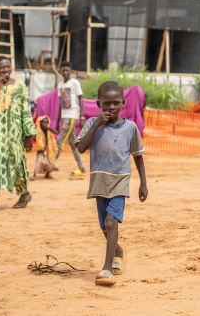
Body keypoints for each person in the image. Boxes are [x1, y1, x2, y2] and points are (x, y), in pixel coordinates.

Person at [75, 81, 148, 286]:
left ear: (123, 103)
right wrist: (97, 123)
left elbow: (138, 155)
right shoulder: (92, 124)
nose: (111, 107)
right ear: (98, 103)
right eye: (106, 104)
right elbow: (81, 148)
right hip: (99, 180)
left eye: (116, 103)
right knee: (104, 227)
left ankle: (107, 269)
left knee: (110, 222)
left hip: (120, 180)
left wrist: (143, 183)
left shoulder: (130, 127)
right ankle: (118, 253)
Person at [0, 56, 36, 214]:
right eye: (1, 68)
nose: (5, 70)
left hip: (15, 136)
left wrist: (28, 135)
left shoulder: (20, 86)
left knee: (18, 164)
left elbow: (25, 111)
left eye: (7, 67)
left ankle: (24, 195)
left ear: (11, 67)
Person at [55, 61, 87, 177]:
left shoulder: (75, 83)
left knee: (60, 141)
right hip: (64, 116)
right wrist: (58, 121)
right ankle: (81, 168)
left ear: (71, 71)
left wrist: (82, 116)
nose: (65, 72)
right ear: (60, 71)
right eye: (63, 70)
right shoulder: (60, 85)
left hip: (72, 115)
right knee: (73, 144)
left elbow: (81, 100)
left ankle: (50, 164)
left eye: (67, 70)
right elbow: (60, 104)